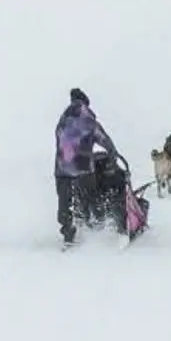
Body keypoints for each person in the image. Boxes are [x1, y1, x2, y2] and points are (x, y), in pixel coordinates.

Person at [54, 88, 123, 246]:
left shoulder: (63, 120)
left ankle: (68, 233)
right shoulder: (88, 120)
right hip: (82, 166)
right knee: (91, 197)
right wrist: (112, 156)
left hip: (62, 168)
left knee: (65, 201)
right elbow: (104, 140)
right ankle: (96, 228)